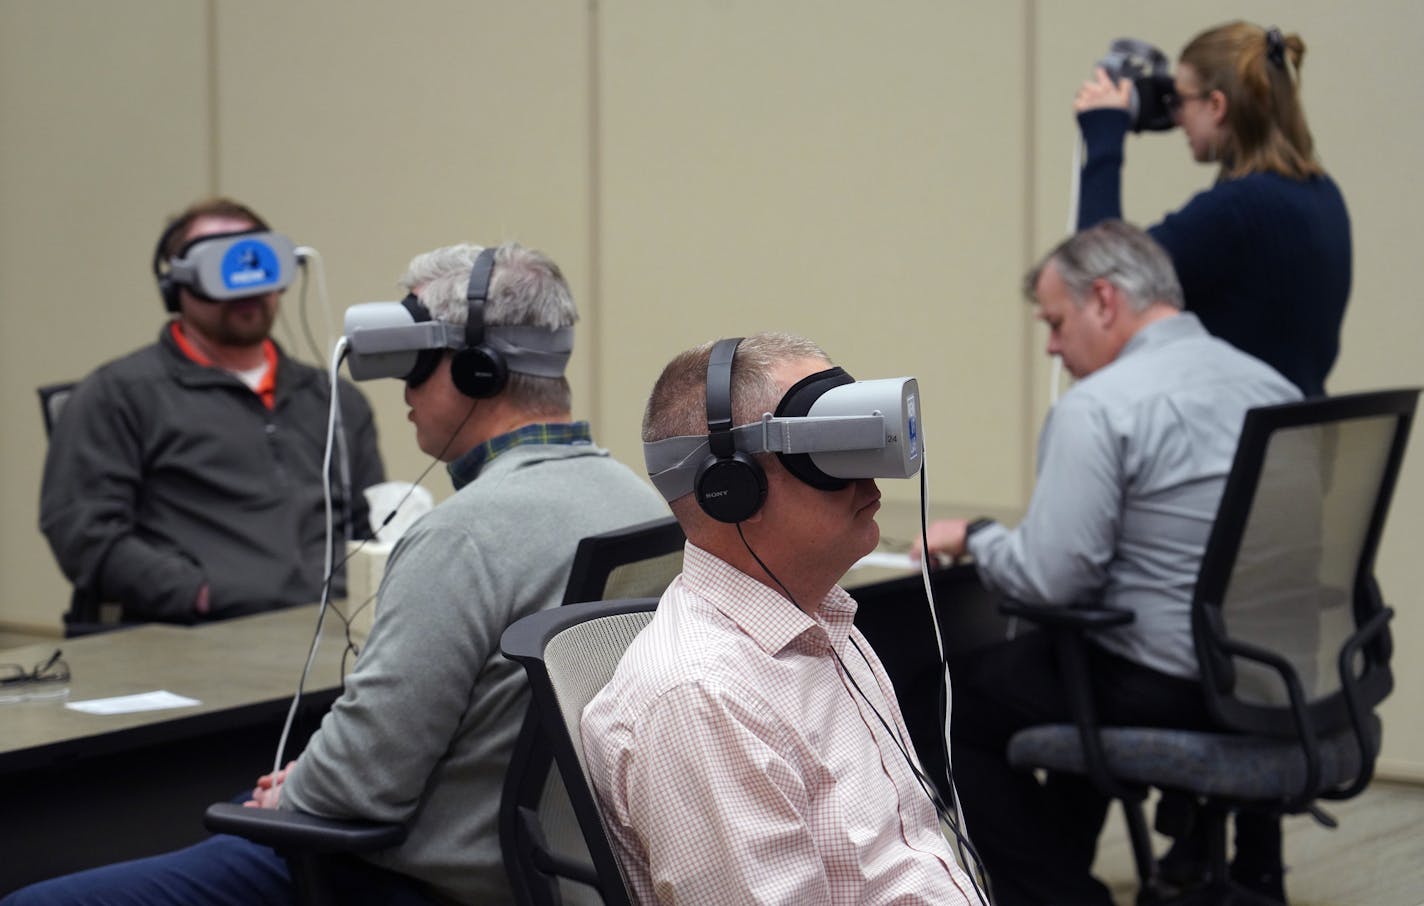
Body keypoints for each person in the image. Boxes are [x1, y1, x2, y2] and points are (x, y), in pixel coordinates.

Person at [5, 241, 670, 905]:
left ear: (475, 370)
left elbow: (360, 784)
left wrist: (296, 788)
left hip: (405, 872)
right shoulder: (638, 503)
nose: (402, 392)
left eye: (413, 367)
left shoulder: (462, 536)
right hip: (544, 871)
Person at [912, 221, 1300, 906]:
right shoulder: (1272, 383)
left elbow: (1052, 580)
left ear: (1105, 301)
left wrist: (978, 537)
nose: (1054, 349)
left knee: (946, 701)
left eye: (1056, 323)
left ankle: (1059, 897)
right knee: (1058, 676)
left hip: (1169, 679)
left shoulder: (1099, 408)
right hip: (1275, 674)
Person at [582, 332, 980, 905]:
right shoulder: (703, 698)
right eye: (828, 453)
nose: (870, 480)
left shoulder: (821, 621)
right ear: (731, 487)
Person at [39, 197, 385, 624]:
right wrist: (196, 594)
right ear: (175, 287)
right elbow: (83, 532)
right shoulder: (119, 395)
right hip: (196, 638)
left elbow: (370, 527)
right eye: (220, 267)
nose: (246, 288)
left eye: (258, 263)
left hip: (330, 634)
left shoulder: (334, 400)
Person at [1075, 21, 1349, 398]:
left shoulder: (1236, 210)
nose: (1175, 118)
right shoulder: (1323, 194)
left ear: (1217, 105)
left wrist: (1104, 136)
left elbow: (1099, 279)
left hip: (1228, 441)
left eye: (1181, 101)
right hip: (1294, 440)